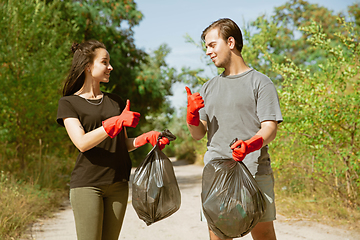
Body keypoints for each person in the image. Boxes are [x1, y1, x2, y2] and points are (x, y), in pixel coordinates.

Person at [57, 40, 170, 240]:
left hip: (118, 183)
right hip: (87, 184)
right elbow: (82, 142)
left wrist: (145, 138)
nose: (111, 67)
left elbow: (122, 145)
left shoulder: (115, 101)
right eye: (105, 62)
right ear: (88, 66)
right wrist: (113, 124)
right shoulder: (68, 103)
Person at [185, 18, 283, 240]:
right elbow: (198, 133)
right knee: (219, 235)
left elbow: (270, 128)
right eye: (206, 47)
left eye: (212, 45)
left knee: (263, 233)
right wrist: (191, 116)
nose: (208, 51)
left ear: (231, 42)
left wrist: (250, 145)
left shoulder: (261, 82)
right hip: (216, 175)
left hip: (254, 171)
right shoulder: (208, 87)